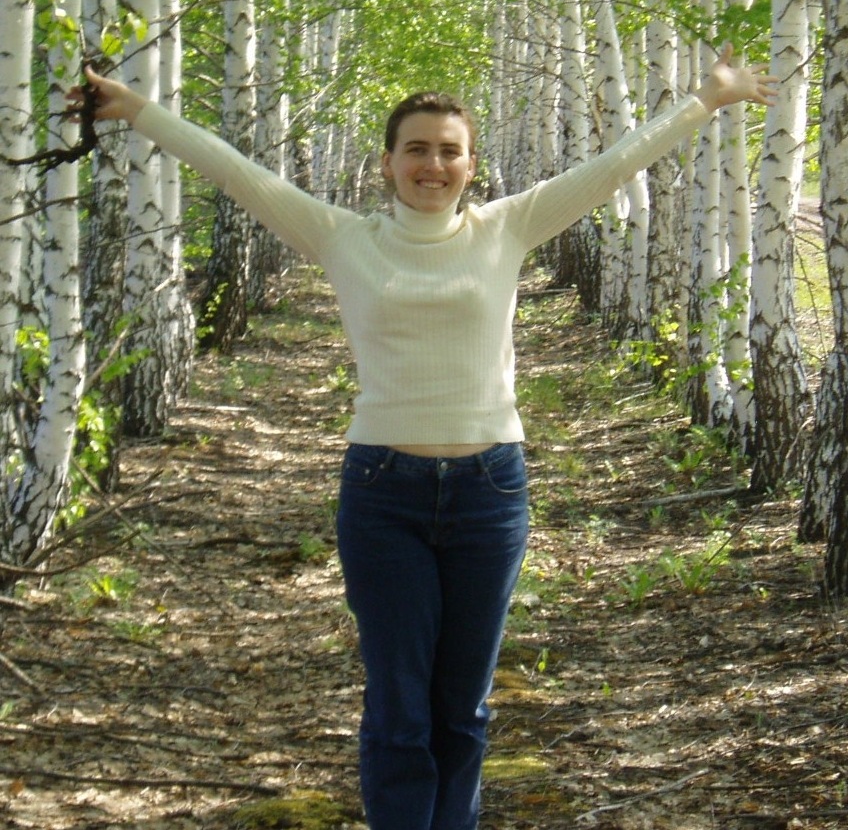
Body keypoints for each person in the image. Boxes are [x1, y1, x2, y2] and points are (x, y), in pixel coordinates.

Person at [70, 42, 777, 830]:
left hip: (490, 494)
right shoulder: (342, 236)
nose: (432, 165)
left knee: (464, 708)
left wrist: (707, 98)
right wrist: (137, 110)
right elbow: (236, 172)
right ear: (388, 163)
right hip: (384, 496)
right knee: (400, 709)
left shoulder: (508, 227)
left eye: (448, 151)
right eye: (416, 149)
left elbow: (614, 166)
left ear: (471, 166)